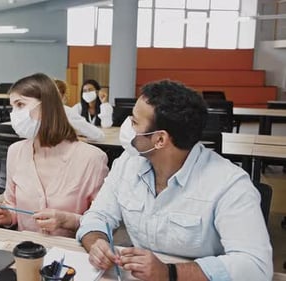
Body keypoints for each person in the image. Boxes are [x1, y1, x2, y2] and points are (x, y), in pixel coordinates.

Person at [76, 80, 273, 281]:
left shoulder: (229, 184)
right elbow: (98, 215)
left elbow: (255, 266)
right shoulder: (128, 163)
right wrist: (96, 241)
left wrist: (170, 272)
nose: (128, 127)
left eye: (134, 122)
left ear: (160, 139)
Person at [0, 73, 108, 238]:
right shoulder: (16, 152)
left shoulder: (91, 159)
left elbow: (104, 223)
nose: (14, 115)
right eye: (12, 107)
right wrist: (6, 216)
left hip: (69, 256)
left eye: (20, 105)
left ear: (47, 107)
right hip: (26, 254)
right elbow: (12, 206)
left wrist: (67, 220)